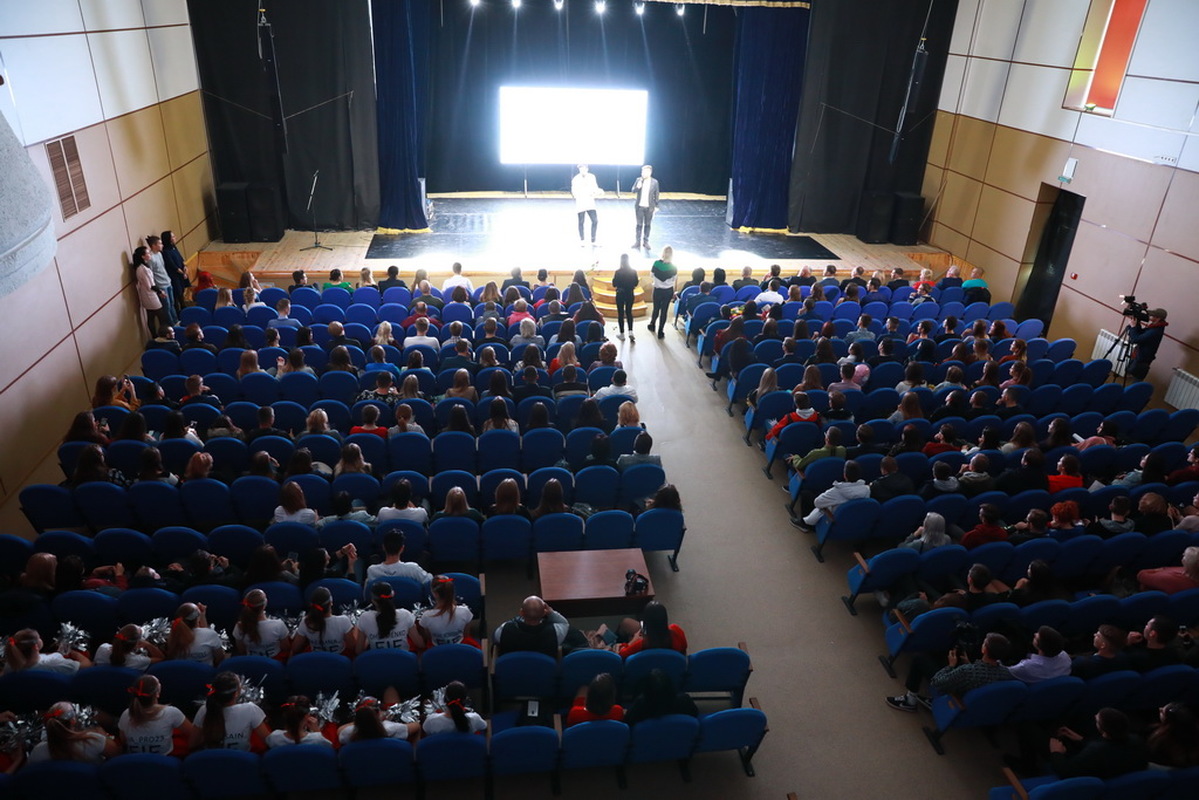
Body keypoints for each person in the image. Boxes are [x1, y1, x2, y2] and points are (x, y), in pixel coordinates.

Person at [886, 633, 1015, 713]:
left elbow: (938, 683)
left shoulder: (967, 671)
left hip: (955, 693)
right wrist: (967, 663)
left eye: (984, 643)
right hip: (973, 695)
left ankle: (910, 700)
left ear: (984, 650)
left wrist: (951, 665)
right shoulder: (1006, 673)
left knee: (919, 658)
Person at [1048, 708, 1148, 779]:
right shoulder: (1137, 741)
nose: (1095, 716)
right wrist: (1081, 740)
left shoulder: (1095, 752)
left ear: (1104, 732)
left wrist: (1056, 753)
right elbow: (1110, 747)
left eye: (1097, 720)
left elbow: (1066, 773)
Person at [117, 674, 194, 755]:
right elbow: (193, 733)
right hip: (164, 759)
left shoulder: (126, 714)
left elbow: (123, 741)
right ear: (157, 694)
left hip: (135, 760)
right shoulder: (171, 713)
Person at [194, 672, 271, 750]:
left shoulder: (204, 710)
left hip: (212, 757)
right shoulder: (250, 709)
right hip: (241, 757)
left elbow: (193, 744)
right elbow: (268, 741)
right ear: (236, 693)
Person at [28, 701, 120, 763]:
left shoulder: (38, 751)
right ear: (73, 720)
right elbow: (118, 755)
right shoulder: (93, 740)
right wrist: (103, 735)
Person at [796, 460, 869, 530]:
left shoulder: (836, 491)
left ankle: (805, 525)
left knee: (805, 494)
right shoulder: (866, 489)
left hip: (832, 519)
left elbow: (817, 502)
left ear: (844, 475)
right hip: (852, 520)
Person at [492, 595, 572, 657]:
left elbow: (495, 638)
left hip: (512, 670)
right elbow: (564, 623)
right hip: (543, 670)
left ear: (521, 612)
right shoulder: (555, 632)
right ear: (544, 613)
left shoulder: (505, 629)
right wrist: (551, 612)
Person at [613, 601, 687, 658]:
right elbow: (684, 648)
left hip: (645, 668)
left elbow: (621, 655)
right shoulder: (676, 630)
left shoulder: (641, 644)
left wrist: (633, 641)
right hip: (670, 667)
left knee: (622, 639)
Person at [624, 669, 697, 726]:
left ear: (646, 690)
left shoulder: (639, 706)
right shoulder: (685, 701)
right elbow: (695, 715)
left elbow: (628, 722)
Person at [231, 588, 290, 659]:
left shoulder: (239, 626)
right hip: (274, 661)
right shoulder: (278, 625)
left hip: (251, 660)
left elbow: (242, 650)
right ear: (264, 605)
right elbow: (285, 647)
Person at [3, 628, 92, 674]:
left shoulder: (9, 666)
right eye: (39, 637)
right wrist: (74, 653)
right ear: (35, 647)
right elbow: (88, 666)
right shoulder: (56, 664)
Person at [365, 528, 432, 589]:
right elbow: (429, 581)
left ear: (383, 547)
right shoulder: (413, 569)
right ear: (402, 549)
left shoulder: (372, 571)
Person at [418, 575, 475, 647]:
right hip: (460, 648)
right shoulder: (465, 612)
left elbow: (429, 638)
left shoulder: (427, 616)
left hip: (436, 650)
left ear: (435, 594)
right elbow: (466, 634)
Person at [1126, 306, 1168, 380]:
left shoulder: (1155, 331)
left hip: (1143, 359)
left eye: (1152, 315)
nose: (1149, 316)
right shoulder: (1154, 327)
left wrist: (1133, 327)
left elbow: (1136, 339)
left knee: (1136, 381)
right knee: (1135, 379)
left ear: (1158, 318)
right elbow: (1140, 334)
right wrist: (1136, 324)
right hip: (1141, 356)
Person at [647, 246, 677, 339]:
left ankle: (652, 324)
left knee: (656, 308)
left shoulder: (656, 264)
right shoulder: (673, 267)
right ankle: (661, 331)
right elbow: (674, 279)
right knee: (664, 311)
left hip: (658, 290)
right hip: (668, 291)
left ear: (663, 253)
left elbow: (651, 275)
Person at [571, 164, 603, 245]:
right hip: (581, 202)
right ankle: (582, 240)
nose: (582, 170)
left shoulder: (592, 177)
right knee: (581, 221)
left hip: (590, 202)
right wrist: (578, 195)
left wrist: (598, 192)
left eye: (583, 168)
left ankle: (593, 240)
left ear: (587, 169)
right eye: (580, 169)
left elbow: (595, 187)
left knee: (595, 220)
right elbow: (574, 191)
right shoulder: (575, 179)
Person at [631, 164, 660, 249]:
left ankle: (646, 241)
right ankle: (637, 241)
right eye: (642, 172)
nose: (643, 173)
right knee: (639, 225)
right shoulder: (638, 180)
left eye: (645, 172)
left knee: (647, 225)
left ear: (650, 172)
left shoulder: (654, 182)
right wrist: (638, 187)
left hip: (649, 207)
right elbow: (633, 190)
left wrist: (656, 206)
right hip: (639, 207)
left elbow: (656, 194)